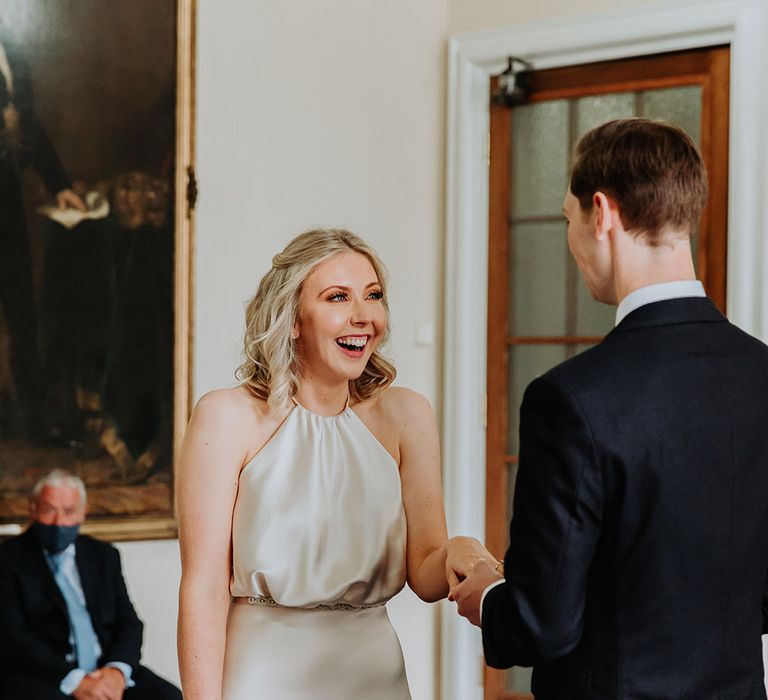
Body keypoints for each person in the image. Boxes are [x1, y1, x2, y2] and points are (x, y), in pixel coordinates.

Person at [450, 118, 768, 699]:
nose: (570, 243)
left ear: (603, 213)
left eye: (568, 220)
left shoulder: (572, 400)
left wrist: (489, 595)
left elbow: (539, 628)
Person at [176, 228, 493, 699]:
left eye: (374, 295)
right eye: (337, 297)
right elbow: (203, 586)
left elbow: (426, 574)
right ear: (294, 318)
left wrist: (461, 548)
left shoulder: (407, 415)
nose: (363, 317)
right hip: (263, 675)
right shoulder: (227, 417)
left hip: (374, 675)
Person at [0, 469, 182, 699]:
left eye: (68, 511)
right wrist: (76, 681)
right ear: (33, 509)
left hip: (105, 668)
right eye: (49, 510)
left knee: (168, 696)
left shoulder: (104, 556)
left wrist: (116, 672)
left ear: (82, 513)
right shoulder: (7, 559)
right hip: (45, 675)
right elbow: (11, 636)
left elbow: (129, 623)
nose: (59, 522)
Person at [0, 35, 86, 441]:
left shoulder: (13, 49)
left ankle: (33, 420)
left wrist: (59, 184)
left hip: (7, 200)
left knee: (21, 310)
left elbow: (28, 124)